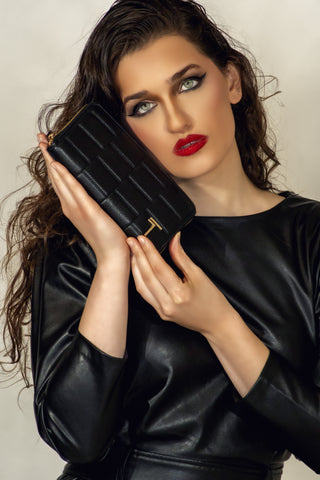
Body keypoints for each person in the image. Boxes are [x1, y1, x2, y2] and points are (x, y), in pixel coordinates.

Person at [2, 0, 320, 479]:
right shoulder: (88, 239)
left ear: (231, 82)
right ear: (122, 128)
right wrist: (111, 260)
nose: (176, 121)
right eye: (143, 106)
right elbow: (75, 437)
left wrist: (218, 324)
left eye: (189, 83)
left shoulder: (310, 236)